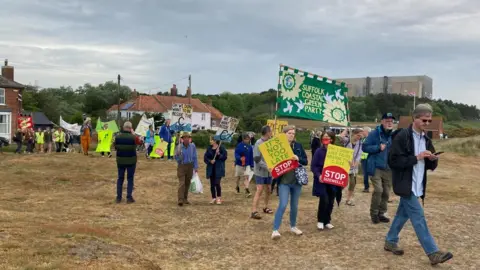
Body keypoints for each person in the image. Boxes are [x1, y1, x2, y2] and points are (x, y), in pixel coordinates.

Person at [384, 104, 453, 265]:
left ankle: (390, 241)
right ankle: (433, 252)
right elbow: (393, 161)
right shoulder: (402, 136)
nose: (427, 123)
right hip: (405, 185)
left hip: (418, 186)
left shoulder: (426, 139)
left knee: (402, 215)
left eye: (429, 121)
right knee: (418, 217)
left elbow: (428, 165)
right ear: (415, 118)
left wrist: (432, 160)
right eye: (424, 120)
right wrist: (418, 157)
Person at [271, 125, 308, 240]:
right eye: (289, 133)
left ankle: (293, 226)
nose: (291, 135)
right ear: (284, 134)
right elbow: (273, 162)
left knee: (294, 206)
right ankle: (275, 230)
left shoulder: (298, 146)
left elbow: (305, 161)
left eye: (293, 133)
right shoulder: (278, 146)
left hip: (296, 181)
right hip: (284, 181)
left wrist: (298, 158)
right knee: (282, 204)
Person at [362, 113, 395, 224]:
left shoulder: (394, 135)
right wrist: (377, 148)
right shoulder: (374, 133)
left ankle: (382, 213)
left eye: (391, 121)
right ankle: (374, 213)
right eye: (387, 121)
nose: (389, 123)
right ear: (382, 122)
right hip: (376, 166)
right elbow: (365, 147)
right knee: (378, 190)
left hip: (389, 168)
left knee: (386, 192)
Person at [311, 131, 341, 230]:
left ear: (332, 139)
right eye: (324, 137)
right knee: (324, 199)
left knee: (331, 200)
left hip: (333, 180)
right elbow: (313, 166)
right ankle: (320, 220)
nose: (326, 138)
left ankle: (327, 221)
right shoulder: (318, 151)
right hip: (321, 180)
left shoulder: (337, 151)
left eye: (328, 137)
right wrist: (319, 175)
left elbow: (341, 165)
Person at [114, 121, 142, 203]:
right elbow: (140, 142)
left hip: (120, 160)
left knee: (120, 178)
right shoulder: (133, 137)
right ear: (131, 128)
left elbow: (115, 146)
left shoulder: (118, 137)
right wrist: (134, 134)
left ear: (123, 127)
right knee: (130, 178)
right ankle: (129, 197)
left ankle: (118, 197)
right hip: (131, 161)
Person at [250, 125, 274, 220]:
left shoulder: (270, 142)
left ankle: (265, 207)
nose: (271, 132)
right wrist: (267, 167)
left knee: (268, 189)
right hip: (260, 171)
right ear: (267, 132)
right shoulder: (258, 143)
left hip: (268, 172)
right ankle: (254, 211)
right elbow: (256, 159)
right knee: (259, 190)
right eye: (271, 131)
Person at [338, 128, 364, 206]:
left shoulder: (360, 144)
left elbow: (360, 154)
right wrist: (346, 128)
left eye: (361, 136)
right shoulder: (346, 140)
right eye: (358, 135)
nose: (359, 137)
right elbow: (340, 136)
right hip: (344, 164)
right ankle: (336, 194)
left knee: (353, 183)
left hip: (353, 166)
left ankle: (348, 200)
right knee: (343, 183)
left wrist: (356, 163)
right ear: (353, 134)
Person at [174, 132, 198, 206]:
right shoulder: (179, 147)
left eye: (188, 137)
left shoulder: (192, 146)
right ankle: (180, 200)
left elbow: (195, 157)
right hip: (181, 166)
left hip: (190, 166)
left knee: (187, 183)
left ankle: (185, 199)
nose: (186, 139)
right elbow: (175, 156)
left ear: (190, 138)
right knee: (182, 183)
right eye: (185, 138)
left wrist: (196, 166)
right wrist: (179, 159)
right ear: (182, 139)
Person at [204, 137, 228, 204]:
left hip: (219, 168)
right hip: (211, 168)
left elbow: (225, 157)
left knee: (217, 183)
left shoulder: (221, 148)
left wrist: (219, 154)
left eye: (211, 140)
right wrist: (210, 161)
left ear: (215, 141)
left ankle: (219, 198)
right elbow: (205, 158)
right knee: (212, 184)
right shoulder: (209, 148)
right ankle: (213, 197)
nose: (210, 141)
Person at [361, 127, 372, 192]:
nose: (362, 132)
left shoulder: (368, 139)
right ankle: (366, 187)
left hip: (367, 157)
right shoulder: (364, 139)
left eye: (363, 131)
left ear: (367, 132)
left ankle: (366, 187)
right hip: (364, 157)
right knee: (365, 173)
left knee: (366, 173)